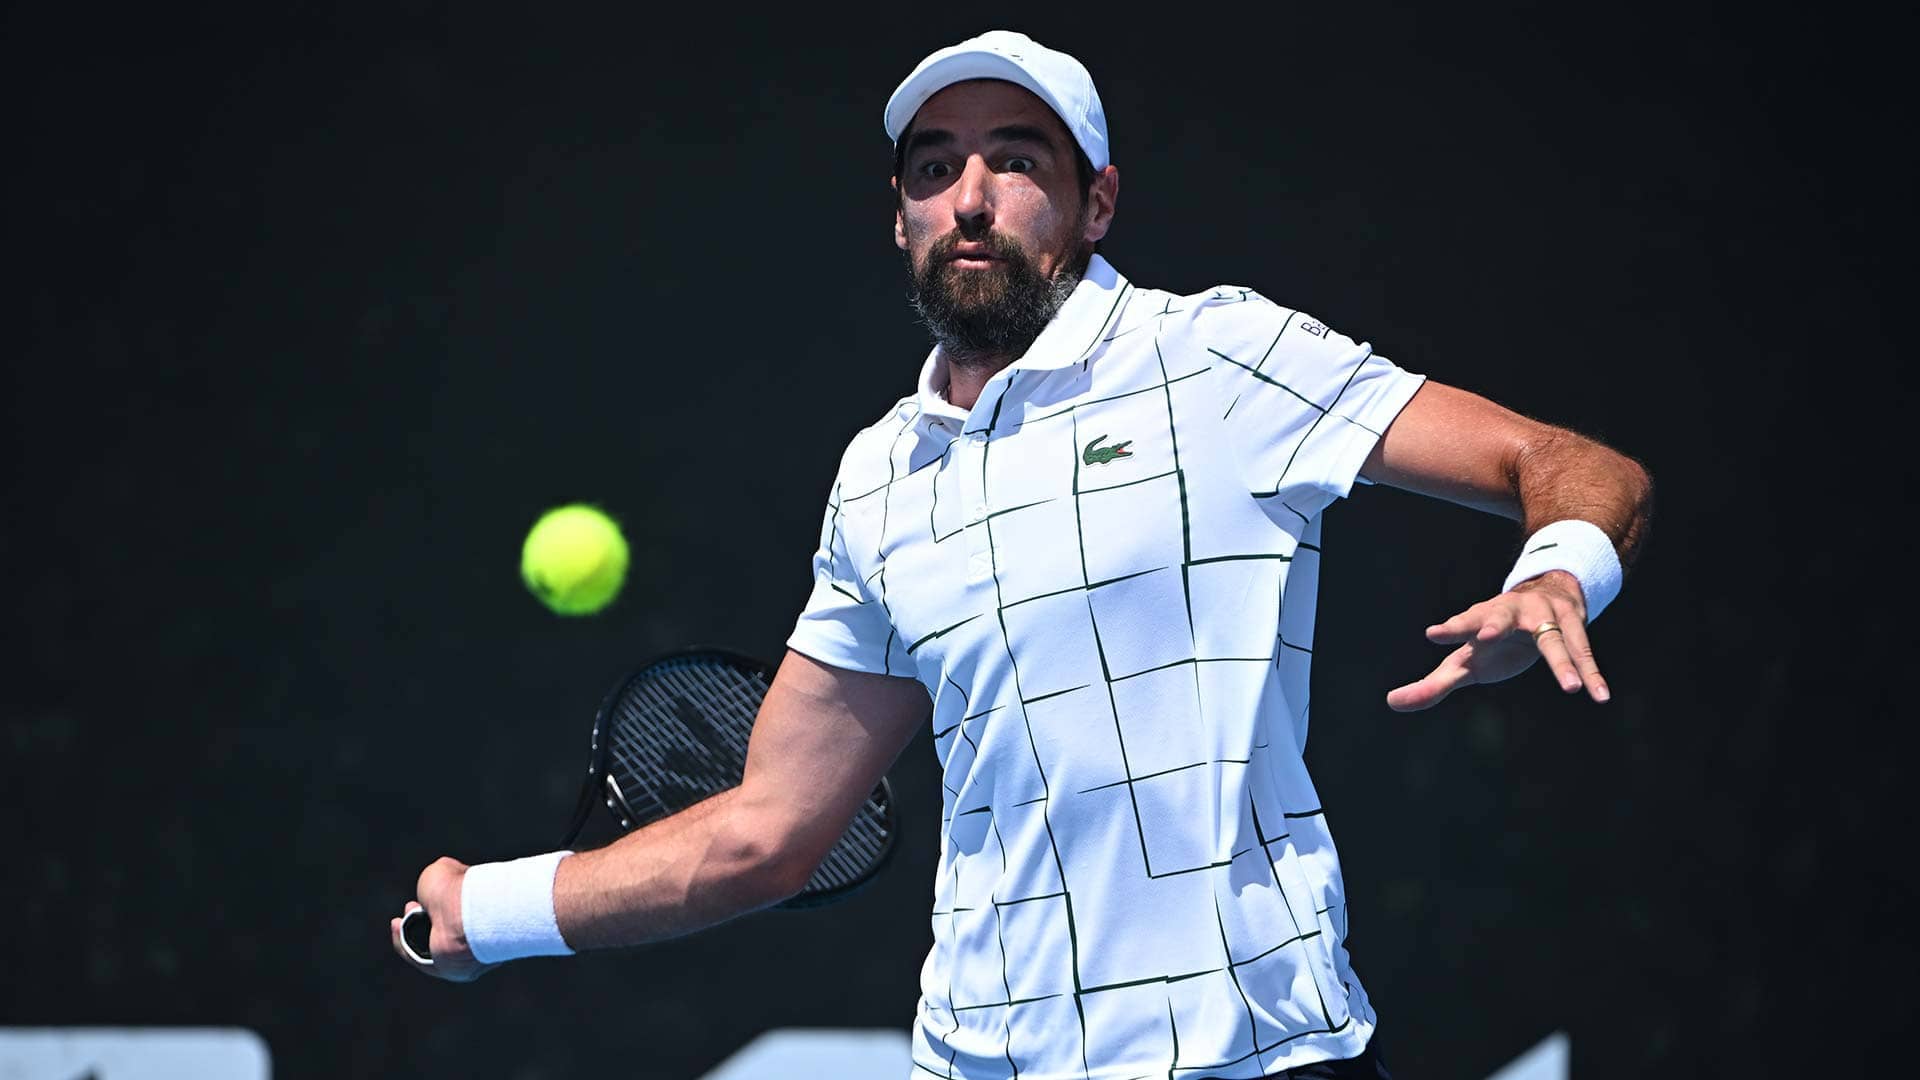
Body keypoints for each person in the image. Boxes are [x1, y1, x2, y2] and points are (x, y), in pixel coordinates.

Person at [392, 29, 1652, 1080]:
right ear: (900, 220)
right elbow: (767, 831)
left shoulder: (1219, 359)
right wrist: (491, 911)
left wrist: (1556, 569)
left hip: (1256, 1060)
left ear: (1097, 198)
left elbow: (1578, 466)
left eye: (1015, 158)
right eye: (934, 168)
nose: (972, 196)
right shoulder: (884, 478)